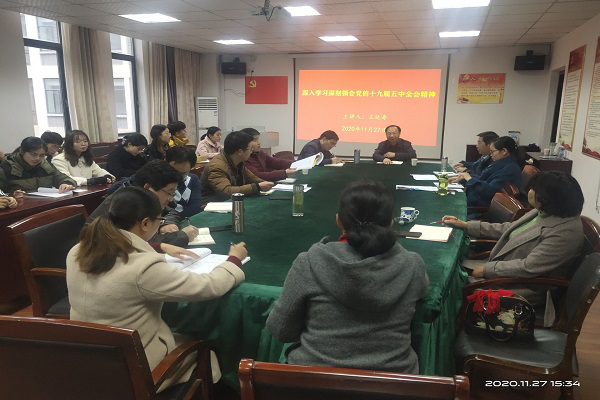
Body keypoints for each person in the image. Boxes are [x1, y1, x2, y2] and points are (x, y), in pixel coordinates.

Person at [67, 186, 247, 391]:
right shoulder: (143, 268)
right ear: (145, 223)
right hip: (134, 371)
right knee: (203, 346)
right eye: (159, 221)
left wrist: (160, 246)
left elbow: (120, 248)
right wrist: (234, 260)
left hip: (86, 358)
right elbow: (209, 286)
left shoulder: (77, 251)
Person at [266, 180, 429, 373]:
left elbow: (280, 330)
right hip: (393, 382)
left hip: (313, 381)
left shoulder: (309, 262)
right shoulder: (413, 264)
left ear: (339, 221)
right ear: (390, 223)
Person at [442, 171, 585, 325]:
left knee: (449, 287)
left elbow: (529, 267)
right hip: (504, 271)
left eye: (533, 189)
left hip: (522, 286)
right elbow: (509, 229)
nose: (529, 191)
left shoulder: (565, 232)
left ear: (547, 198)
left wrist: (487, 270)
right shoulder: (544, 212)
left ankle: (451, 328)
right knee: (448, 272)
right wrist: (466, 225)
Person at [88, 160, 198, 247]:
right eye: (169, 193)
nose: (170, 199)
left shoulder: (142, 196)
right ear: (148, 187)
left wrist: (165, 224)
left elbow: (171, 212)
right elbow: (141, 243)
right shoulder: (125, 203)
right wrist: (182, 236)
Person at [200, 131, 273, 202]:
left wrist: (267, 184)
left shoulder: (238, 162)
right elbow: (226, 192)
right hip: (213, 205)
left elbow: (251, 178)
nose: (251, 152)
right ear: (240, 151)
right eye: (250, 149)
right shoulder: (217, 166)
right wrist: (257, 187)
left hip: (230, 202)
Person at [451, 136, 522, 208]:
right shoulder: (501, 162)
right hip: (480, 200)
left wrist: (470, 179)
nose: (490, 154)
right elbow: (483, 178)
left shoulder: (509, 169)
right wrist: (465, 177)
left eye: (492, 151)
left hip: (483, 206)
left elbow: (490, 191)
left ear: (504, 151)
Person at [0, 137, 76, 196]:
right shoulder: (6, 168)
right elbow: (2, 194)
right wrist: (12, 195)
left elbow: (64, 178)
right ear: (22, 151)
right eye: (33, 154)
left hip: (45, 204)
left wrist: (66, 184)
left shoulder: (45, 166)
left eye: (42, 155)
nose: (37, 158)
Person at [166, 146, 202, 218]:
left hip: (183, 219)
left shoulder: (192, 179)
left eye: (183, 174)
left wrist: (178, 218)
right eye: (175, 172)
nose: (178, 177)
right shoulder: (161, 181)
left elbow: (195, 206)